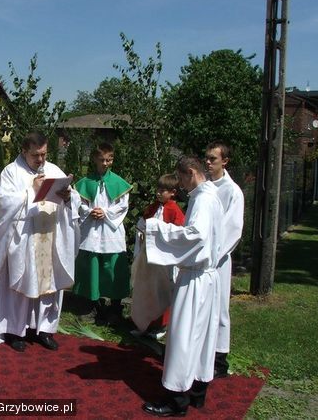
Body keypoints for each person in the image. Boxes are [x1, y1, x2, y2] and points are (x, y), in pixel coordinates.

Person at [0, 131, 80, 352]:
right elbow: (2, 204)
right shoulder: (11, 172)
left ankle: (44, 330)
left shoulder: (53, 170)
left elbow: (74, 198)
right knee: (20, 283)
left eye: (44, 154)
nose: (41, 159)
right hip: (23, 238)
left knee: (49, 285)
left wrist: (68, 197)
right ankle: (15, 331)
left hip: (50, 236)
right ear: (24, 151)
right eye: (36, 155)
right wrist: (31, 191)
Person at [142, 156, 223, 417]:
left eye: (181, 179)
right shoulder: (211, 195)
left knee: (183, 337)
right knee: (201, 337)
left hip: (196, 278)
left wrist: (157, 229)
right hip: (207, 277)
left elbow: (195, 236)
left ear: (190, 172)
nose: (181, 185)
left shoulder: (203, 199)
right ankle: (197, 391)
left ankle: (176, 400)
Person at [73, 142, 132, 325]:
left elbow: (123, 205)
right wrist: (89, 211)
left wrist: (105, 212)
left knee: (112, 268)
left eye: (109, 159)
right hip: (91, 228)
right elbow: (78, 203)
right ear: (94, 159)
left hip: (110, 230)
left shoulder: (118, 182)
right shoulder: (85, 182)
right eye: (102, 160)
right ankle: (92, 305)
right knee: (91, 266)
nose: (105, 163)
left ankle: (115, 307)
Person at [205, 141, 244, 378]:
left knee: (219, 308)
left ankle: (220, 359)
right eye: (207, 158)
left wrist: (213, 255)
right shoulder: (205, 187)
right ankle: (202, 352)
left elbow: (233, 229)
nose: (208, 163)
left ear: (225, 161)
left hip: (217, 260)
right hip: (200, 259)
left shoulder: (232, 191)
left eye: (213, 159)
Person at [130, 173, 185, 338]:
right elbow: (142, 225)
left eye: (163, 190)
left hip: (163, 260)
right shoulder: (152, 207)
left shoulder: (174, 210)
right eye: (158, 189)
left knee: (162, 291)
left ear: (173, 192)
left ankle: (161, 325)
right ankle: (145, 323)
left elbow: (177, 233)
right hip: (148, 258)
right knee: (147, 289)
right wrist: (142, 234)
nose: (158, 193)